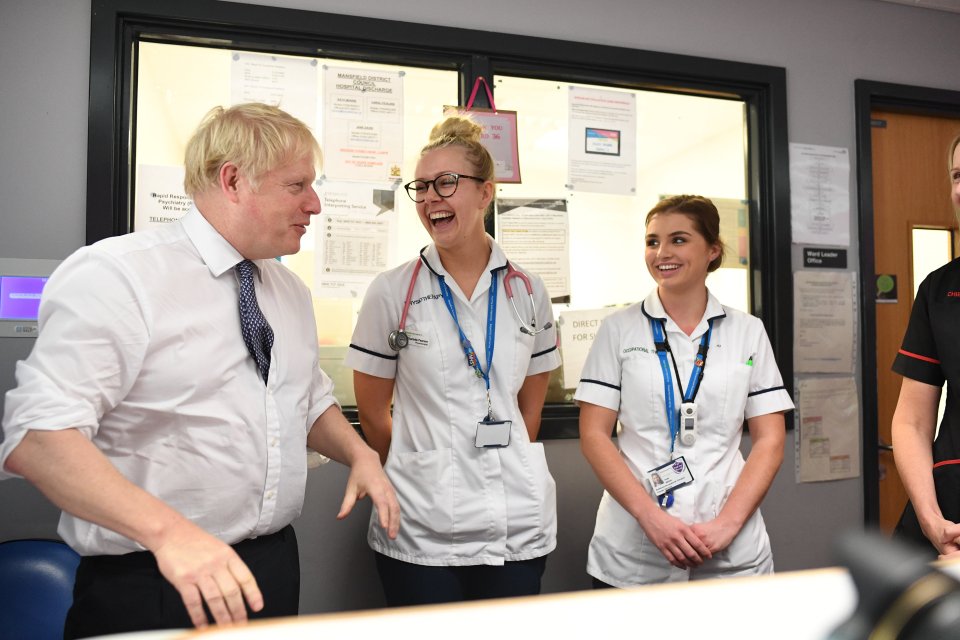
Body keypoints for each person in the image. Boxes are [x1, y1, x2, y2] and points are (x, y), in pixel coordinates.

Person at [0, 103, 399, 638]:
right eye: (297, 185)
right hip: (157, 575)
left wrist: (359, 454)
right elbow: (37, 437)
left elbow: (305, 401)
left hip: (271, 567)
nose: (315, 204)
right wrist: (170, 536)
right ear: (233, 179)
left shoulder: (288, 292)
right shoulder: (120, 276)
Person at [345, 115, 560, 606]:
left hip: (516, 520)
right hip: (421, 523)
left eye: (446, 183)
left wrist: (511, 455)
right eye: (420, 188)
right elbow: (373, 414)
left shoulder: (527, 290)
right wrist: (421, 469)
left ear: (486, 193)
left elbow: (530, 406)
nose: (429, 198)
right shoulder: (392, 291)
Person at [575, 195, 793, 587]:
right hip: (635, 548)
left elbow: (770, 439)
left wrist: (727, 524)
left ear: (712, 250)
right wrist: (652, 519)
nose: (661, 253)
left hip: (729, 551)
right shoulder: (619, 328)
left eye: (678, 240)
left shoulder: (748, 332)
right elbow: (593, 435)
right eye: (652, 241)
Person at [891, 133, 960, 558]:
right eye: (958, 175)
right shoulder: (940, 289)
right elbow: (912, 420)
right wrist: (931, 518)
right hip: (948, 514)